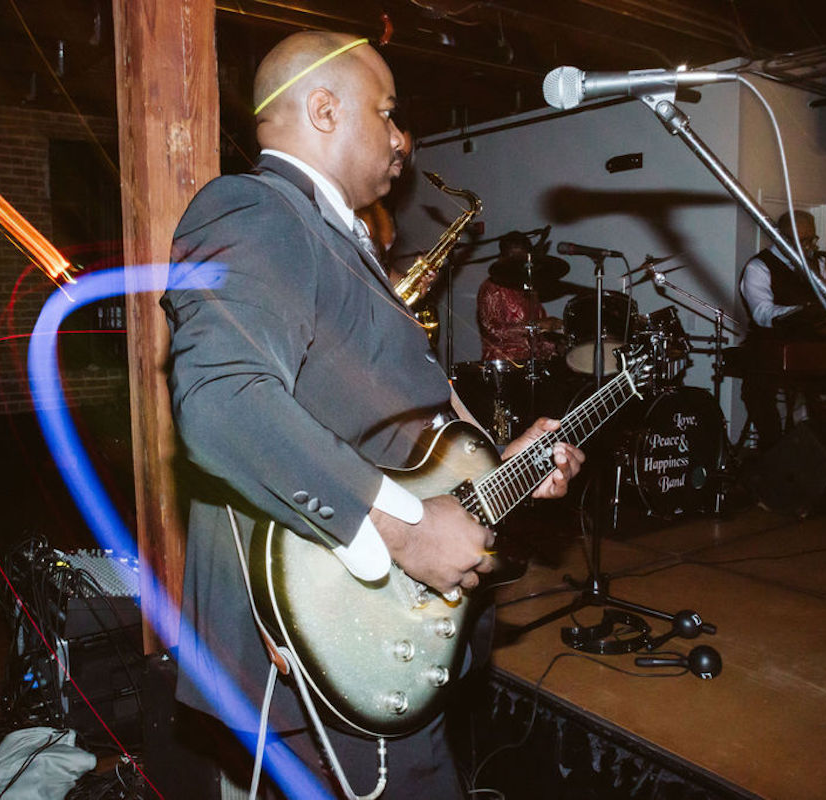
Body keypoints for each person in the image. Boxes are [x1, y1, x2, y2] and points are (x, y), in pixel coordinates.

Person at [163, 31, 584, 798]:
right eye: (387, 113)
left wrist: (505, 459)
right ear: (323, 109)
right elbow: (221, 401)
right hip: (324, 650)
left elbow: (390, 434)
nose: (403, 138)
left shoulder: (336, 242)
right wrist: (406, 528)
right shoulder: (256, 210)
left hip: (376, 634)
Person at [738, 209, 826, 449]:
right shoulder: (758, 267)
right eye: (800, 240)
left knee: (822, 398)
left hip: (807, 348)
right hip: (768, 346)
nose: (807, 246)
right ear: (780, 237)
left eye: (811, 239)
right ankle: (773, 449)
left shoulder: (817, 263)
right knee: (758, 394)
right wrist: (798, 311)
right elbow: (762, 314)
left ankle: (814, 447)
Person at [476, 231, 561, 362]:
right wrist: (536, 326)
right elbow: (493, 330)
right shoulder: (492, 287)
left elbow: (538, 339)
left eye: (520, 259)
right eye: (512, 258)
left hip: (531, 366)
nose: (515, 264)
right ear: (502, 258)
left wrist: (557, 347)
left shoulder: (530, 288)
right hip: (505, 366)